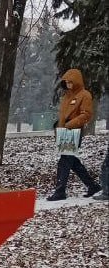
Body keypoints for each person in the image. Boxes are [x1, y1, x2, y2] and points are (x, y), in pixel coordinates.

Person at [45, 68, 101, 201]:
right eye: (66, 82)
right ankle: (92, 186)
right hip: (65, 132)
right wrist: (59, 126)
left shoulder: (85, 95)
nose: (68, 84)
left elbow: (86, 114)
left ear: (76, 81)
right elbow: (63, 115)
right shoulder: (66, 96)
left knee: (64, 161)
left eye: (71, 82)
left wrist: (70, 124)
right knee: (73, 162)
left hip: (74, 131)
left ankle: (60, 191)